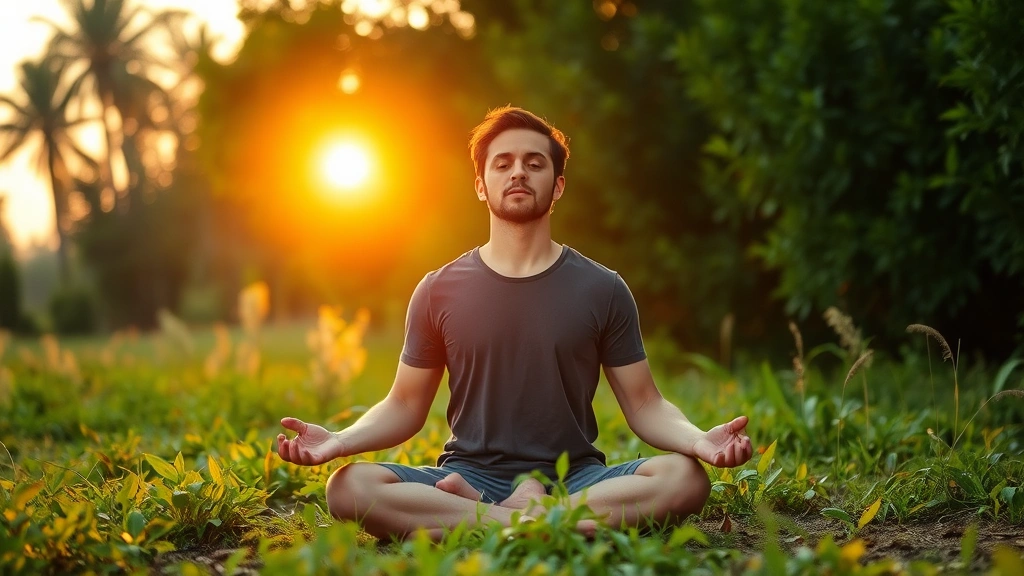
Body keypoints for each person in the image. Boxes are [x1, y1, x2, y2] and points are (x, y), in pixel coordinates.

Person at [277, 106, 753, 541]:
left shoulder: (603, 288)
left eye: (534, 162)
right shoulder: (437, 289)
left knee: (686, 478)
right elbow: (404, 404)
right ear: (481, 184)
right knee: (349, 488)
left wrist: (698, 441)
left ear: (558, 185)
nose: (518, 172)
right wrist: (339, 442)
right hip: (468, 471)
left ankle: (483, 520)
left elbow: (646, 402)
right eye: (502, 163)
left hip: (575, 477)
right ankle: (541, 522)